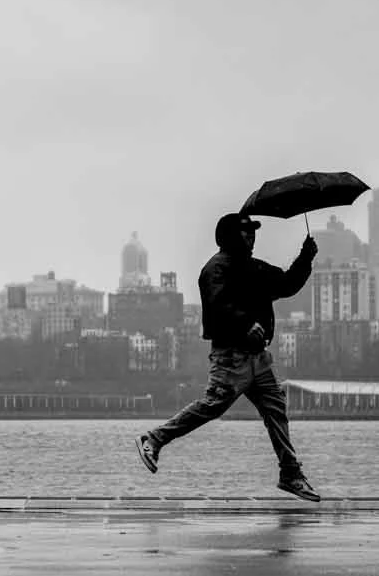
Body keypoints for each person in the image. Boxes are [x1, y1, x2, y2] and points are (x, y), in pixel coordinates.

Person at [136, 212, 321, 501]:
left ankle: (291, 474)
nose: (252, 237)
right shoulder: (215, 270)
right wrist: (246, 324)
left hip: (259, 359)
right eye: (246, 233)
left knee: (276, 411)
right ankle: (155, 438)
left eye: (253, 232)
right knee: (212, 406)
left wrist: (305, 257)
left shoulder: (255, 267)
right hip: (230, 358)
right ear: (230, 237)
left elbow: (286, 284)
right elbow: (217, 305)